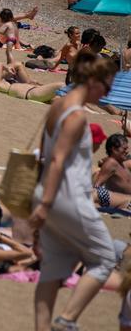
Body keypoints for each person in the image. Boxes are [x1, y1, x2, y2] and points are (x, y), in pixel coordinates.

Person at [31, 52, 121, 331]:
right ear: (93, 81)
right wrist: (45, 205)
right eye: (106, 87)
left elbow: (43, 157)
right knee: (105, 259)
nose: (107, 94)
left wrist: (40, 205)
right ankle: (67, 320)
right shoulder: (77, 115)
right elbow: (57, 159)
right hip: (66, 197)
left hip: (48, 193)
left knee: (53, 268)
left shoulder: (57, 106)